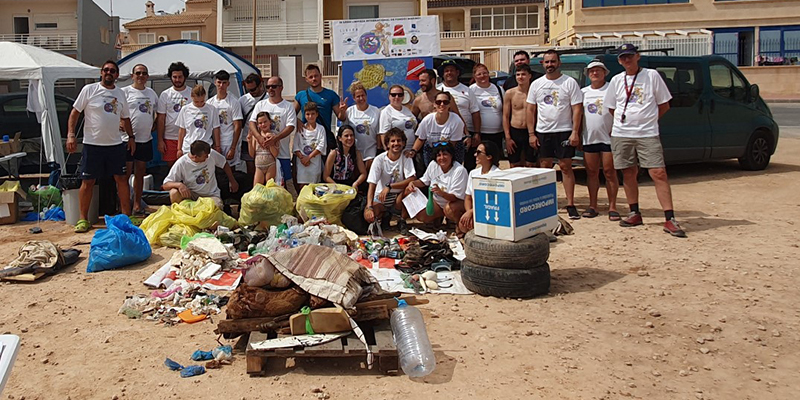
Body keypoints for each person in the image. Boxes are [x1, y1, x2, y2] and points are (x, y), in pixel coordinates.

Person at [603, 43, 686, 237]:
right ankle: (634, 212)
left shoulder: (651, 76)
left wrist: (648, 120)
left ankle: (669, 218)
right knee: (628, 172)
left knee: (658, 172)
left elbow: (664, 104)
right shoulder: (616, 80)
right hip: (622, 133)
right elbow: (611, 108)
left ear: (637, 56)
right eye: (623, 57)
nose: (627, 60)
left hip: (647, 133)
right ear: (619, 60)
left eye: (630, 56)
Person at [66, 60, 134, 233]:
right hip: (92, 144)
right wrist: (71, 135)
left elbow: (125, 118)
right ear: (101, 73)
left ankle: (126, 216)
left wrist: (131, 137)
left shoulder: (120, 93)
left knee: (121, 180)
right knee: (88, 181)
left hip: (115, 145)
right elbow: (75, 113)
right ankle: (83, 219)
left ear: (117, 75)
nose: (108, 73)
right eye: (105, 70)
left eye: (112, 70)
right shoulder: (89, 90)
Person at [526, 49, 583, 220]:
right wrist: (531, 133)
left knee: (566, 167)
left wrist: (575, 132)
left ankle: (571, 203)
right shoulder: (536, 84)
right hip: (543, 131)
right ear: (543, 64)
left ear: (559, 63)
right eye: (547, 62)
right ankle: (547, 203)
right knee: (545, 168)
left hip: (564, 131)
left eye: (553, 61)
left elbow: (577, 108)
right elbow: (531, 109)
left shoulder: (570, 83)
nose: (550, 65)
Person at [581, 60, 620, 220]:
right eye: (592, 71)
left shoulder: (612, 90)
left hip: (609, 137)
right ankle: (593, 205)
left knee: (610, 172)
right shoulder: (583, 92)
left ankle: (612, 207)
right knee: (591, 173)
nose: (595, 73)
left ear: (605, 73)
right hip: (589, 137)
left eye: (598, 70)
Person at [121, 63, 158, 216]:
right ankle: (123, 205)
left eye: (144, 73)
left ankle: (137, 204)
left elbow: (156, 114)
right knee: (125, 174)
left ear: (147, 76)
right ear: (132, 75)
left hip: (145, 139)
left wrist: (153, 124)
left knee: (140, 173)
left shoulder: (152, 94)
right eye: (138, 73)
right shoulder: (124, 92)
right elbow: (118, 112)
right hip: (126, 140)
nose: (141, 76)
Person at [405, 142, 468, 228]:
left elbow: (455, 197)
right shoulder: (433, 164)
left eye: (445, 154)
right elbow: (424, 181)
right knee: (421, 216)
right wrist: (412, 183)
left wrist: (441, 192)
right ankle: (438, 217)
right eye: (439, 155)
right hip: (437, 202)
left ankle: (459, 225)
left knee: (449, 209)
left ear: (451, 156)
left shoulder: (460, 170)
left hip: (454, 203)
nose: (441, 158)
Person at [365, 128, 416, 233]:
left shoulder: (406, 158)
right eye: (392, 141)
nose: (396, 143)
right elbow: (372, 184)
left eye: (398, 140)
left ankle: (402, 220)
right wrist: (369, 206)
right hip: (381, 196)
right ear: (387, 144)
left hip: (398, 195)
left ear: (403, 143)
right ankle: (384, 217)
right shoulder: (379, 159)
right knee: (369, 215)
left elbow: (412, 178)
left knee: (410, 188)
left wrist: (390, 187)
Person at [248, 76, 296, 187]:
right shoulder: (260, 105)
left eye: (274, 86)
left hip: (282, 154)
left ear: (281, 88)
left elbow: (291, 127)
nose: (270, 89)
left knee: (285, 186)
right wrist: (259, 138)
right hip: (263, 156)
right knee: (261, 187)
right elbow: (252, 123)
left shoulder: (288, 106)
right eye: (268, 86)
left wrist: (275, 139)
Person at [162, 140, 238, 209]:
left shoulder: (211, 154)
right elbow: (165, 185)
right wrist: (179, 185)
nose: (207, 158)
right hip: (192, 194)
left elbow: (224, 163)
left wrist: (232, 180)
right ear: (195, 157)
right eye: (205, 156)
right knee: (174, 193)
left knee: (216, 207)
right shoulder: (182, 163)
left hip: (210, 195)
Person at [437, 59, 480, 167]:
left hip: (466, 133)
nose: (449, 73)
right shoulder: (437, 90)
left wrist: (476, 133)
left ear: (457, 73)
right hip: (444, 133)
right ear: (442, 74)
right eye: (446, 71)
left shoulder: (467, 90)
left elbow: (475, 112)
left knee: (468, 165)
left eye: (452, 70)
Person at [294, 64, 341, 152]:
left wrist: (342, 111)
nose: (314, 79)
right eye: (310, 77)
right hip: (306, 139)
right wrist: (297, 121)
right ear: (306, 79)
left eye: (316, 76)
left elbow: (341, 117)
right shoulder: (300, 95)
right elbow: (291, 115)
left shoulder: (331, 95)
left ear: (320, 76)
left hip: (324, 137)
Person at [458, 141, 501, 234]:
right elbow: (468, 197)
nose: (475, 155)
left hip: (490, 211)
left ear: (489, 157)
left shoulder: (498, 175)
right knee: (463, 225)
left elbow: (495, 202)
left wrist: (472, 211)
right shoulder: (473, 173)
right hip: (476, 211)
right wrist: (469, 212)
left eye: (478, 153)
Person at [412, 91, 465, 166]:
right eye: (438, 102)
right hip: (431, 149)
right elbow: (421, 139)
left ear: (449, 105)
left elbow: (453, 143)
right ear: (434, 104)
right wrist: (413, 151)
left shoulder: (457, 121)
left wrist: (441, 158)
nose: (442, 104)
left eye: (445, 102)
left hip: (451, 149)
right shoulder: (427, 120)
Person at [338, 81, 380, 169]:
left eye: (363, 95)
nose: (361, 98)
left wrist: (379, 150)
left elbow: (378, 133)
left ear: (366, 95)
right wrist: (342, 111)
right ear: (354, 98)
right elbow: (342, 120)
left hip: (371, 150)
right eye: (358, 96)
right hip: (355, 150)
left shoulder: (375, 111)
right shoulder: (350, 111)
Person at [207, 70, 243, 170]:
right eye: (219, 82)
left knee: (230, 170)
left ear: (228, 84)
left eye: (224, 83)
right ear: (215, 82)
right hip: (214, 143)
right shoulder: (210, 103)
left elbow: (237, 126)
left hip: (228, 142)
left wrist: (233, 148)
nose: (221, 85)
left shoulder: (233, 102)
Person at [156, 61, 191, 166]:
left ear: (185, 77)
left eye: (180, 77)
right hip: (169, 138)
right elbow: (161, 119)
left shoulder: (192, 93)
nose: (177, 80)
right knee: (172, 168)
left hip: (188, 138)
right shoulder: (165, 95)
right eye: (174, 77)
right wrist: (160, 140)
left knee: (188, 167)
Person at [503, 64, 537, 167]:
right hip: (515, 131)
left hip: (530, 131)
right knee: (514, 164)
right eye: (518, 74)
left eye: (523, 74)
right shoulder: (510, 93)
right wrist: (508, 137)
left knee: (531, 164)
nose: (520, 77)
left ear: (529, 76)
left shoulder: (534, 93)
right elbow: (505, 116)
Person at [470, 63, 505, 161]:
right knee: (476, 160)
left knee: (494, 160)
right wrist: (476, 133)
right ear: (474, 76)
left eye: (485, 73)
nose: (482, 76)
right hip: (479, 134)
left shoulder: (498, 89)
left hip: (497, 133)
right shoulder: (471, 90)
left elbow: (504, 110)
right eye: (479, 74)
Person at [176, 85, 220, 158]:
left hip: (206, 146)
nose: (199, 104)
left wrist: (218, 146)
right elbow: (182, 130)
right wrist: (179, 149)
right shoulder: (185, 109)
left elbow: (216, 129)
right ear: (191, 97)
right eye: (196, 102)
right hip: (189, 147)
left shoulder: (212, 109)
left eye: (202, 101)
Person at [293, 101, 327, 189]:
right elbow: (295, 146)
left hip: (315, 162)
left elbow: (321, 146)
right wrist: (302, 158)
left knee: (314, 186)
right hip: (302, 163)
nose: (310, 116)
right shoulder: (301, 128)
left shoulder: (321, 129)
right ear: (304, 115)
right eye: (308, 114)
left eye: (313, 114)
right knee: (302, 186)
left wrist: (309, 157)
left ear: (317, 114)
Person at [239, 73, 267, 175]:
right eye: (248, 90)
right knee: (251, 169)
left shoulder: (268, 99)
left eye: (253, 89)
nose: (251, 92)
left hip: (264, 140)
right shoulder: (243, 100)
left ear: (260, 85)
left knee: (265, 167)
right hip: (248, 139)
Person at [323, 125, 367, 191]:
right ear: (340, 138)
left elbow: (363, 173)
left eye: (351, 135)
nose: (349, 138)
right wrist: (337, 187)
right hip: (335, 184)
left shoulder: (356, 153)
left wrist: (356, 183)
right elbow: (326, 176)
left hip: (349, 184)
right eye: (346, 136)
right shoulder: (334, 153)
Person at [380, 84, 417, 153]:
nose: (397, 97)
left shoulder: (407, 110)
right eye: (393, 95)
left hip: (411, 151)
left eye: (400, 95)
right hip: (397, 151)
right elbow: (383, 134)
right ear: (389, 97)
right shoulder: (386, 112)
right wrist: (389, 152)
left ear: (403, 97)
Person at [250, 111, 280, 185]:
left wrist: (270, 143)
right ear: (257, 125)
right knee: (257, 189)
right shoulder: (255, 137)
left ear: (270, 122)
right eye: (260, 123)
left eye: (265, 122)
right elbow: (252, 154)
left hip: (271, 165)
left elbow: (275, 154)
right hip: (258, 166)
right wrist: (249, 142)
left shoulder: (274, 136)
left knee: (269, 188)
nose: (263, 124)